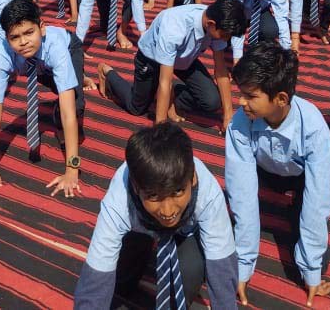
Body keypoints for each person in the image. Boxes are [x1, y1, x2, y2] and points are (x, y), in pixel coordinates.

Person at [74, 122, 237, 308]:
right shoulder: (119, 198)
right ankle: (142, 249)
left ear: (192, 179)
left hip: (188, 233)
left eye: (177, 192)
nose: (168, 211)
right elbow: (95, 278)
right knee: (118, 283)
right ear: (136, 189)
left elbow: (222, 268)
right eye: (153, 196)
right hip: (143, 228)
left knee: (183, 283)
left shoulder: (208, 193)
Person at [225, 43, 330, 305]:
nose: (241, 102)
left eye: (250, 96)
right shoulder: (240, 123)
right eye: (241, 93)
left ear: (281, 99)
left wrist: (311, 272)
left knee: (318, 262)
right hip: (262, 171)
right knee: (226, 231)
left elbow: (318, 199)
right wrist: (243, 267)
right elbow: (241, 194)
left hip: (299, 177)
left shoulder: (313, 128)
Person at [0, 0, 87, 198]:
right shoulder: (1, 55)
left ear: (42, 27)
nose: (23, 42)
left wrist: (72, 170)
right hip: (36, 66)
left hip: (67, 48)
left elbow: (68, 112)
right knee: (55, 79)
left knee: (75, 103)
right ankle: (71, 78)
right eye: (15, 37)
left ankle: (77, 77)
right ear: (6, 37)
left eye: (29, 32)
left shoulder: (57, 48)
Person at [97, 0, 244, 130]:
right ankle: (107, 72)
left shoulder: (217, 23)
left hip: (185, 58)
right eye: (225, 36)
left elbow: (221, 71)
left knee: (212, 102)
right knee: (136, 107)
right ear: (211, 24)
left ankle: (172, 95)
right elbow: (165, 81)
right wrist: (161, 129)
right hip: (152, 58)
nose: (226, 40)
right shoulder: (174, 27)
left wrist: (228, 115)